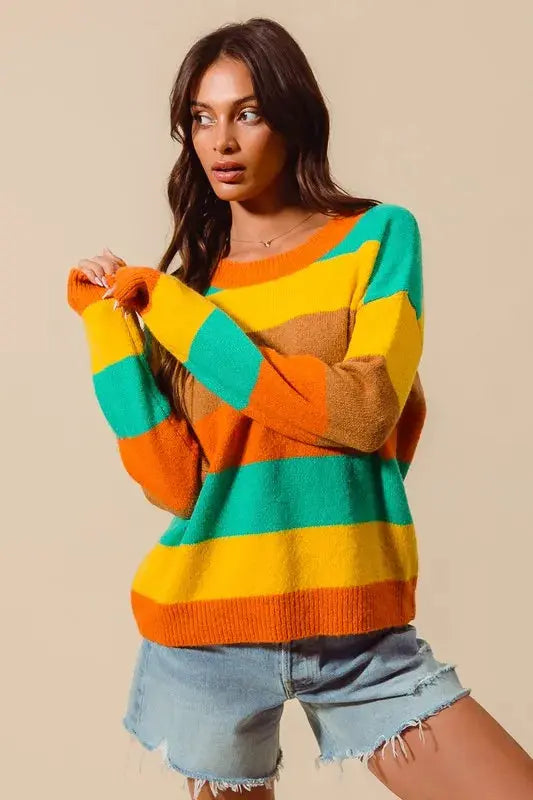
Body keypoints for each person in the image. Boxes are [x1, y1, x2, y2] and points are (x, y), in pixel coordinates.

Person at [66, 16, 533, 800]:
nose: (221, 141)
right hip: (209, 633)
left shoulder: (374, 239)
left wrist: (175, 315)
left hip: (356, 629)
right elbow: (175, 485)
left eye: (247, 113)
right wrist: (106, 329)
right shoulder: (192, 289)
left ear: (292, 117)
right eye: (201, 118)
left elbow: (366, 411)